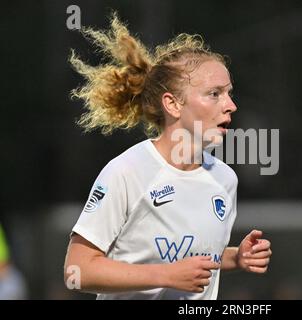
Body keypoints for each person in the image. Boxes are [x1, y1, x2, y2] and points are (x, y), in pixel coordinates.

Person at [64, 13, 271, 300]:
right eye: (214, 94)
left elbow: (189, 254)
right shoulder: (126, 171)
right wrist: (166, 275)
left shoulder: (225, 179)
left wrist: (235, 258)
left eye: (229, 93)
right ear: (172, 104)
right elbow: (77, 270)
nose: (231, 105)